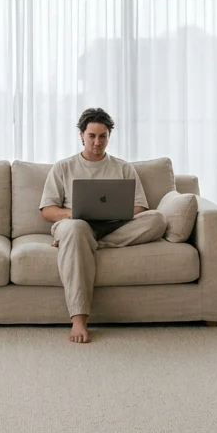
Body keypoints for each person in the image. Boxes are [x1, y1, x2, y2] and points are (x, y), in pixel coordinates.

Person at [39, 107, 166, 343]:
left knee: (157, 220)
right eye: (92, 136)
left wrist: (113, 214)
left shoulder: (123, 168)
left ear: (109, 136)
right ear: (81, 135)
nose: (97, 142)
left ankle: (82, 244)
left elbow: (140, 207)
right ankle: (79, 320)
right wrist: (75, 214)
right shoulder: (63, 168)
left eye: (103, 136)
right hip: (73, 224)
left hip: (113, 227)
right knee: (77, 229)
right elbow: (47, 210)